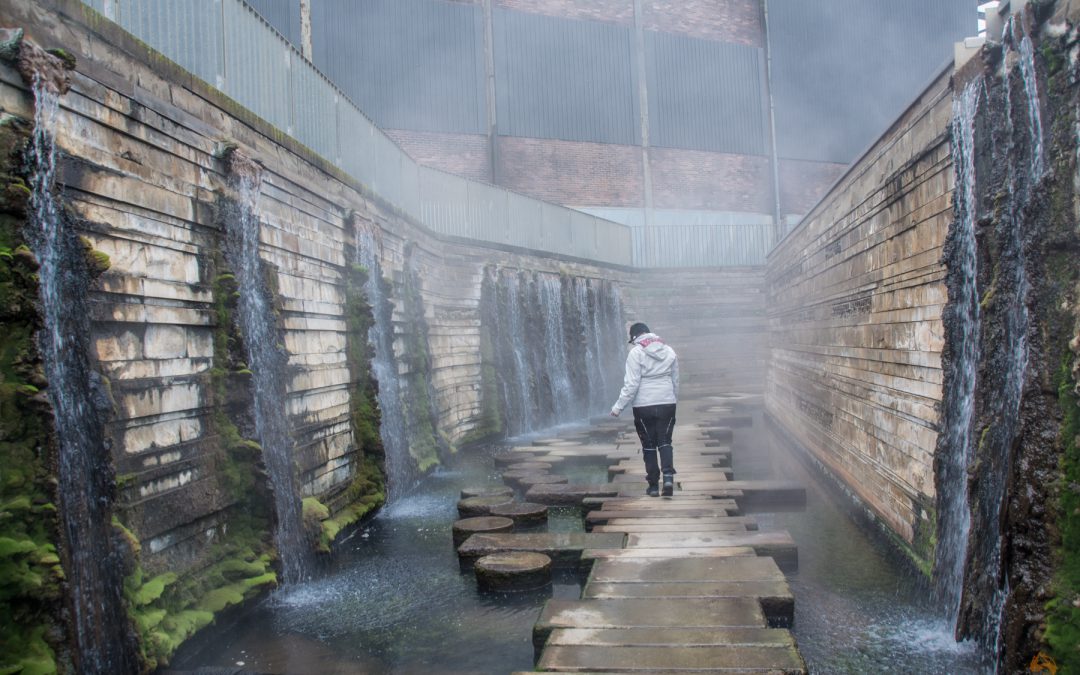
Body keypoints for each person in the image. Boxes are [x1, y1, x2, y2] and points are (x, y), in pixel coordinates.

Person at [610, 322, 679, 497]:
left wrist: (618, 407)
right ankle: (669, 478)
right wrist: (672, 398)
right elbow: (675, 380)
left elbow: (632, 384)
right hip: (667, 403)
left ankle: (654, 486)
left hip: (643, 406)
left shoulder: (636, 353)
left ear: (634, 337)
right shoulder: (669, 351)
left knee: (648, 446)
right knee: (665, 441)